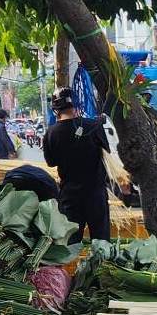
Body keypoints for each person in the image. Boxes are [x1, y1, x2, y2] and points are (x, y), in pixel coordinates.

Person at [41, 88, 112, 240]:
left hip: (70, 195)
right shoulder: (93, 126)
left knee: (71, 241)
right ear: (77, 104)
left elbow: (51, 163)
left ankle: (71, 264)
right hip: (95, 193)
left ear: (55, 109)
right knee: (101, 240)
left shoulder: (50, 133)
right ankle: (99, 264)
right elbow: (108, 149)